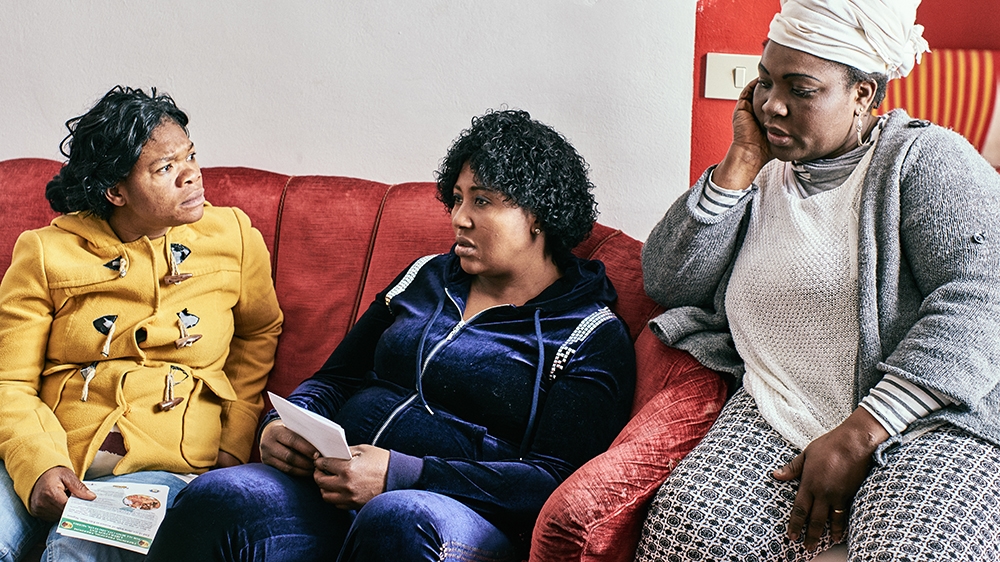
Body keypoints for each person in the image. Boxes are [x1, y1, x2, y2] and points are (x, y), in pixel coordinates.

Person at [145, 109, 636, 562]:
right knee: (218, 495)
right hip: (332, 489)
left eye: (482, 201)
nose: (459, 217)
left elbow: (553, 481)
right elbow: (335, 379)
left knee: (398, 519)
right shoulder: (424, 276)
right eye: (458, 198)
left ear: (538, 215)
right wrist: (279, 426)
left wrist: (400, 476)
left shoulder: (589, 333)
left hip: (455, 520)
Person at [634, 0, 1000, 560]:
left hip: (923, 419)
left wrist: (859, 433)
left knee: (916, 548)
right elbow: (668, 280)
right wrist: (737, 166)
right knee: (690, 529)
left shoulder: (927, 159)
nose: (772, 105)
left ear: (863, 94)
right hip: (778, 409)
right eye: (764, 82)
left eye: (800, 90)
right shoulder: (761, 175)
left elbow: (982, 298)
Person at [0, 86, 283, 562]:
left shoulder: (233, 235)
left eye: (190, 156)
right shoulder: (45, 252)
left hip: (161, 461)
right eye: (165, 168)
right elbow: (8, 380)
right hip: (43, 446)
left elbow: (259, 332)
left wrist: (234, 441)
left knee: (75, 549)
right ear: (116, 191)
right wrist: (39, 463)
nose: (192, 175)